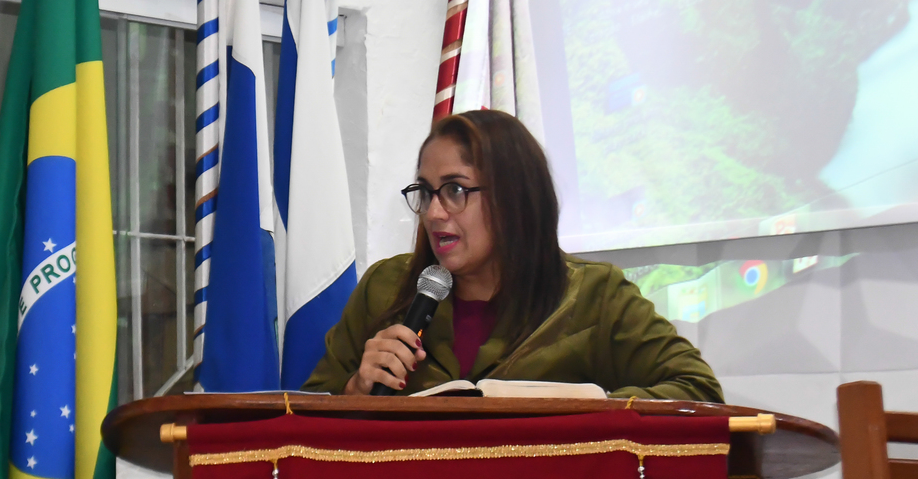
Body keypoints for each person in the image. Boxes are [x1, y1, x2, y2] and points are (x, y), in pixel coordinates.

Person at [303, 109, 723, 401]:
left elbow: (696, 390)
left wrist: (582, 409)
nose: (433, 212)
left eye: (455, 190)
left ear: (513, 197)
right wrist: (357, 389)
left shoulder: (595, 296)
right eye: (426, 192)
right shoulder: (387, 288)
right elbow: (302, 414)